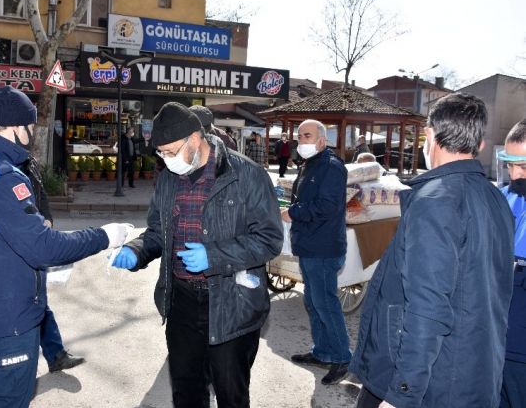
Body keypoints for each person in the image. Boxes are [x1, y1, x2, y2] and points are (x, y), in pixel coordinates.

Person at [0, 86, 129, 408]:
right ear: (17, 127)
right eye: (31, 125)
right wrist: (104, 236)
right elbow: (44, 248)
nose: (32, 132)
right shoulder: (1, 177)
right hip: (7, 321)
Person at [112, 102, 283, 408]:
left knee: (231, 393)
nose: (166, 159)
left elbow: (269, 239)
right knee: (187, 391)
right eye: (161, 153)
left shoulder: (247, 175)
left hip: (232, 302)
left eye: (171, 151)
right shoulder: (167, 179)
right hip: (182, 302)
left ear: (195, 138)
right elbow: (156, 232)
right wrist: (136, 250)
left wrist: (215, 256)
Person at [350, 93, 514, 408]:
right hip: (473, 372)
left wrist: (402, 393)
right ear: (479, 145)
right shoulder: (495, 200)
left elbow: (428, 307)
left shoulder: (435, 202)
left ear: (429, 136)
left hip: (429, 382)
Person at [281, 119, 351, 385]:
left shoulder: (331, 167)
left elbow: (326, 206)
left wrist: (293, 213)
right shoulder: (310, 164)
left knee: (325, 303)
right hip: (310, 245)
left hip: (323, 247)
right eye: (299, 136)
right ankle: (323, 352)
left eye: (307, 135)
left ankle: (342, 357)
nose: (302, 141)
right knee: (313, 302)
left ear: (322, 139)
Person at [18, 154, 85, 372]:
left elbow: (41, 194)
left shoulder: (28, 161)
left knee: (39, 301)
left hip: (35, 240)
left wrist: (47, 218)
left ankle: (55, 354)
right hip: (13, 246)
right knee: (4, 305)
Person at [496, 119, 526, 408]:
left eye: (524, 166)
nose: (515, 174)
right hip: (498, 335)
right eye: (509, 164)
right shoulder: (503, 197)